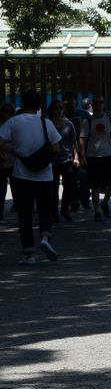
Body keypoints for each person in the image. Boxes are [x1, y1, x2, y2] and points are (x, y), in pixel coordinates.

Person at [0, 90, 61, 265]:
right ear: (40, 105)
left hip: (21, 174)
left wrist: (15, 150)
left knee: (24, 213)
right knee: (45, 209)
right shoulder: (46, 123)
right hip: (45, 175)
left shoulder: (13, 121)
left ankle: (29, 254)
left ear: (23, 103)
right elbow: (56, 148)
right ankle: (45, 238)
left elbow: (1, 142)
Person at [79, 96, 111, 221]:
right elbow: (82, 139)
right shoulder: (87, 120)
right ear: (92, 105)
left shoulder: (110, 118)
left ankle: (105, 202)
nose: (98, 104)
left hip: (108, 155)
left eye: (101, 102)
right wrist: (82, 156)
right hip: (92, 156)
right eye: (95, 102)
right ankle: (97, 211)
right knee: (94, 186)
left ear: (104, 104)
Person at [47, 101, 79, 223]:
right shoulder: (48, 124)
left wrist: (76, 157)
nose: (59, 110)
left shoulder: (69, 124)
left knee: (69, 186)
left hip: (66, 159)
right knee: (53, 188)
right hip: (52, 160)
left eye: (61, 108)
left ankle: (65, 209)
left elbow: (74, 142)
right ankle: (54, 212)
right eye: (56, 108)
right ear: (52, 110)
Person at [0, 101, 16, 219]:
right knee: (2, 187)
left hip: (13, 161)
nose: (9, 114)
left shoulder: (15, 125)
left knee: (16, 187)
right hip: (3, 160)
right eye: (6, 111)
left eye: (11, 112)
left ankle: (17, 207)